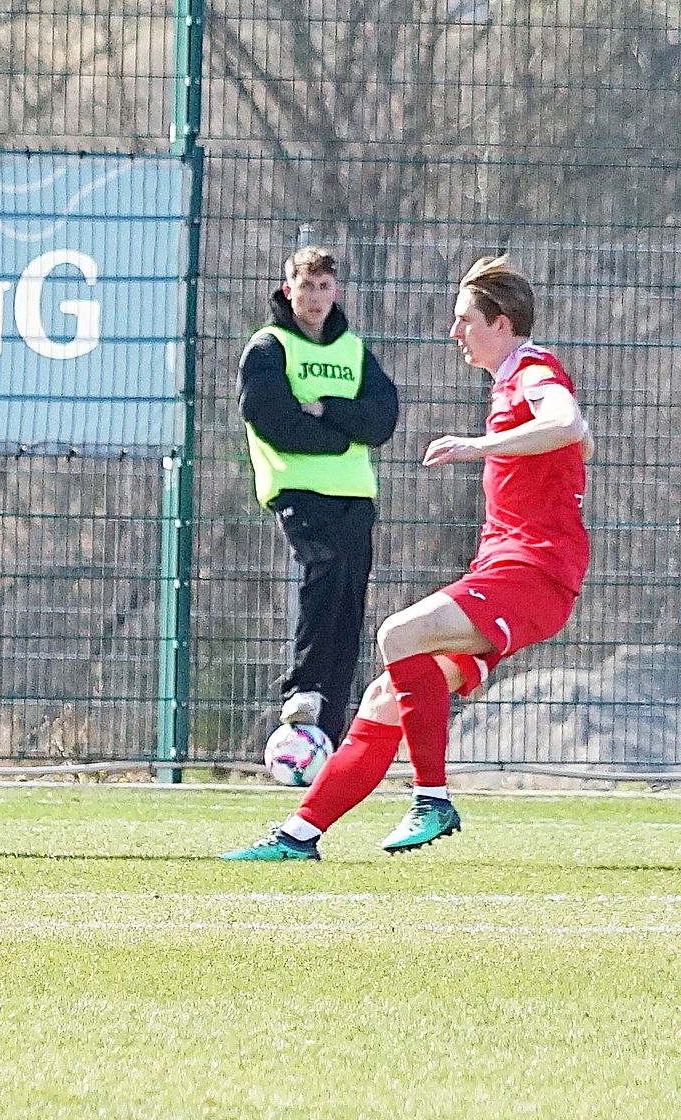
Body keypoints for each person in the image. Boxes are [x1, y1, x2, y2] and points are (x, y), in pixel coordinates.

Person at [225, 255, 591, 861]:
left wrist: (477, 446)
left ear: (501, 324)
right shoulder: (511, 381)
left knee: (398, 634)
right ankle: (298, 835)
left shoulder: (533, 369)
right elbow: (576, 440)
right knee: (383, 699)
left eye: (465, 320)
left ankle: (432, 798)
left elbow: (567, 422)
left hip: (533, 574)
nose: (455, 332)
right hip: (506, 569)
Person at [239, 245, 398, 744]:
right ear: (288, 290)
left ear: (336, 292)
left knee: (349, 598)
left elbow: (381, 419)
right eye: (306, 286)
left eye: (324, 287)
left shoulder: (354, 351)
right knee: (324, 569)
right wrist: (340, 438)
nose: (314, 297)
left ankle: (329, 725)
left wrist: (328, 408)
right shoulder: (269, 348)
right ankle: (303, 687)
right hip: (297, 487)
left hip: (354, 493)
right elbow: (273, 420)